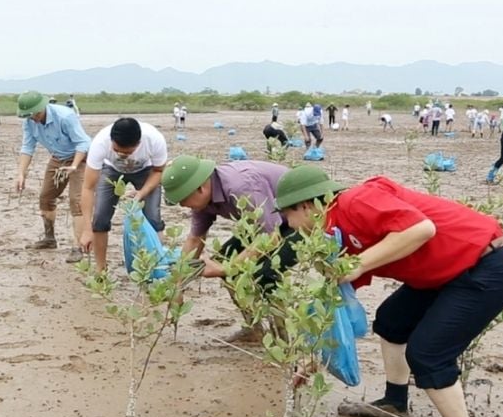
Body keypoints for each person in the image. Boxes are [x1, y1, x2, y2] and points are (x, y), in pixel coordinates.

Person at [275, 165, 503, 417]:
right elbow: (338, 301)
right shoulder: (335, 233)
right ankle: (394, 402)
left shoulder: (354, 201)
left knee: (428, 354)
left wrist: (358, 264)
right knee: (392, 320)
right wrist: (316, 356)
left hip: (486, 265)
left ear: (306, 206)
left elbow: (421, 229)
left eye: (287, 216)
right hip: (445, 272)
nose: (290, 226)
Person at [162, 155, 298, 341]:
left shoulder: (240, 188)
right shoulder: (202, 200)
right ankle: (254, 330)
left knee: (266, 274)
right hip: (265, 223)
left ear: (200, 188)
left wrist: (227, 268)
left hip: (302, 217)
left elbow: (271, 237)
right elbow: (195, 239)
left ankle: (283, 342)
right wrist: (178, 284)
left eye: (183, 199)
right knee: (223, 261)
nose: (182, 205)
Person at [79, 117, 167, 273]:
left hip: (146, 171)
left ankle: (155, 269)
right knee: (100, 218)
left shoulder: (154, 139)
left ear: (138, 144)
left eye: (127, 152)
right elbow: (88, 187)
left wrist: (142, 193)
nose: (121, 154)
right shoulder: (100, 143)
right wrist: (86, 229)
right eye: (116, 150)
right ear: (111, 140)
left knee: (153, 218)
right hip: (112, 170)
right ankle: (101, 269)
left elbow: (159, 170)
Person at [15, 91, 91, 262]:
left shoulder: (65, 116)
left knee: (77, 201)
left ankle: (78, 247)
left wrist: (74, 165)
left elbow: (83, 143)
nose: (33, 118)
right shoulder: (29, 121)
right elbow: (27, 147)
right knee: (46, 197)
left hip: (81, 158)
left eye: (36, 114)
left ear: (43, 107)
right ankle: (49, 239)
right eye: (30, 115)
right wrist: (21, 174)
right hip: (58, 157)